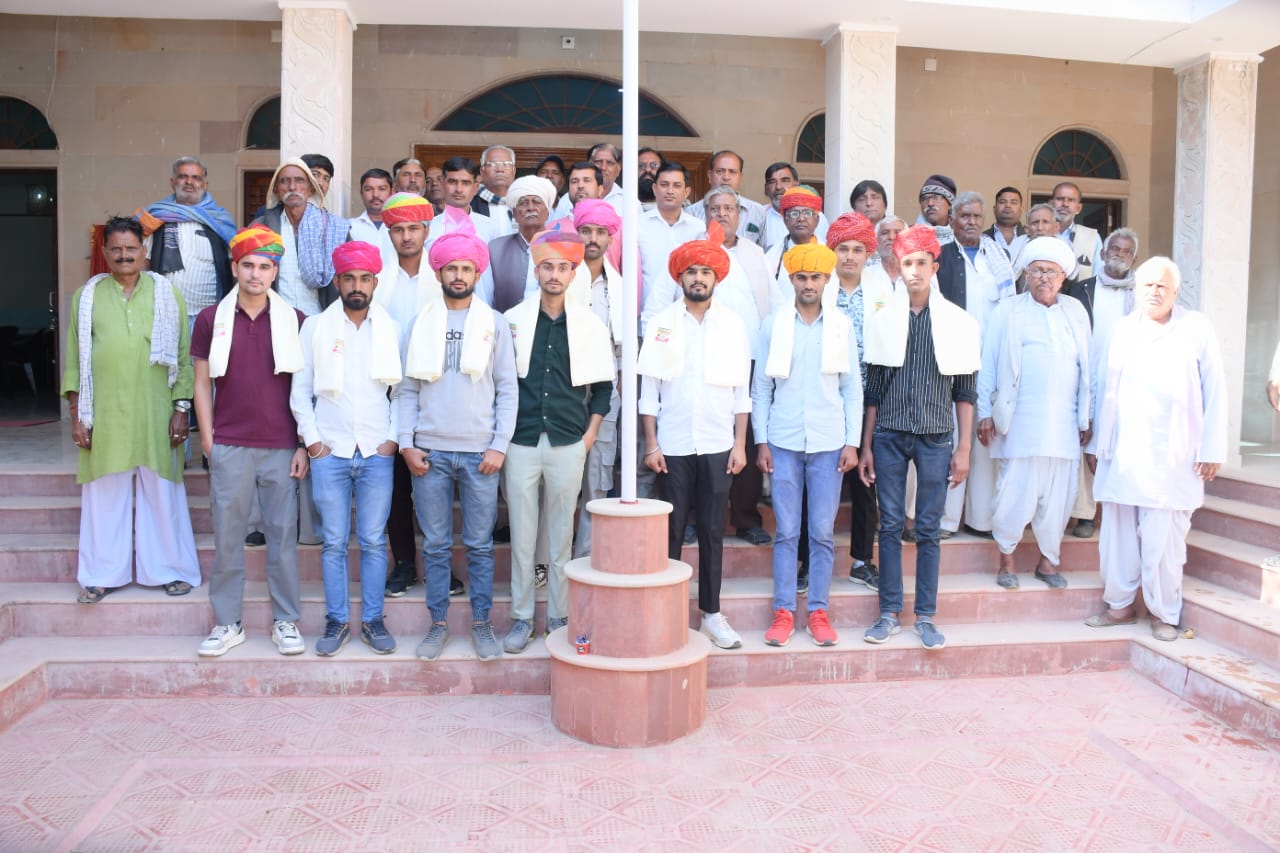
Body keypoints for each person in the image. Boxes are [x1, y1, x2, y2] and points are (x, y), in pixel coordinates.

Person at [1085, 257, 1227, 641]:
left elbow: (1215, 388)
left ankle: (1164, 614)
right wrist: (1097, 443)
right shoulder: (1122, 329)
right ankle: (1119, 607)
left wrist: (1211, 448)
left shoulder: (1196, 328)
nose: (1154, 292)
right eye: (1147, 285)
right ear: (1136, 289)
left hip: (1173, 457)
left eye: (1162, 286)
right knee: (1117, 539)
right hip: (1122, 453)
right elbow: (1103, 387)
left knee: (1164, 543)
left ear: (1176, 291)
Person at [396, 217, 517, 662]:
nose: (459, 275)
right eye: (452, 268)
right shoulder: (419, 323)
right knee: (435, 545)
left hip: (480, 453)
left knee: (481, 545)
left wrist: (499, 445)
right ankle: (438, 624)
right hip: (429, 452)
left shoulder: (494, 324)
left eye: (466, 268)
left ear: (477, 273)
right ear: (439, 272)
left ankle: (482, 623)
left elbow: (507, 389)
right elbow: (406, 390)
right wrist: (407, 443)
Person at [62, 216, 200, 604]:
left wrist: (181, 409)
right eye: (117, 249)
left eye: (131, 248)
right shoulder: (87, 297)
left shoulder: (167, 294)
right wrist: (76, 414)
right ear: (105, 252)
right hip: (104, 412)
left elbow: (183, 357)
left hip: (156, 411)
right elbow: (74, 359)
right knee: (104, 496)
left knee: (162, 494)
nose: (124, 255)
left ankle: (170, 570)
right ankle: (101, 575)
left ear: (144, 251)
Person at [859, 225, 981, 650]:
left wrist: (964, 448)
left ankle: (926, 616)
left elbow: (965, 391)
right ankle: (889, 613)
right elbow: (873, 391)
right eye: (907, 262)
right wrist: (866, 446)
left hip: (935, 437)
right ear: (898, 265)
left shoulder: (959, 323)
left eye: (921, 263)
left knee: (928, 529)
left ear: (935, 267)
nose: (914, 270)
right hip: (889, 435)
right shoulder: (883, 321)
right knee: (891, 525)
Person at [192, 225, 308, 657]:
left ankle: (285, 621)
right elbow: (201, 383)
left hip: (282, 445)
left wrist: (302, 444)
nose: (256, 274)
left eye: (264, 266)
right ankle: (227, 623)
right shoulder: (211, 319)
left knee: (282, 538)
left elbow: (304, 389)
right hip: (230, 444)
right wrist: (209, 441)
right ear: (234, 268)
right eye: (248, 265)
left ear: (275, 272)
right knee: (228, 538)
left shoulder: (296, 320)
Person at [640, 222, 752, 650]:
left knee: (711, 531)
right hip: (672, 445)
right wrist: (651, 444)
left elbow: (742, 390)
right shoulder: (662, 324)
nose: (699, 278)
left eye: (706, 272)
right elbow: (649, 391)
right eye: (692, 272)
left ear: (716, 278)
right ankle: (665, 615)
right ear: (680, 277)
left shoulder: (733, 325)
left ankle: (711, 614)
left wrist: (740, 444)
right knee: (670, 533)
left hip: (719, 444)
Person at [501, 230, 614, 653]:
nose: (554, 274)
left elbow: (603, 388)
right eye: (547, 266)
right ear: (536, 271)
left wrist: (589, 435)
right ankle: (521, 617)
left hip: (569, 441)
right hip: (521, 440)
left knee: (561, 536)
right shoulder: (513, 320)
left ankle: (558, 616)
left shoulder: (589, 325)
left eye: (562, 267)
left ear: (572, 273)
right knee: (522, 536)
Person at [291, 241, 403, 657]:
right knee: (334, 542)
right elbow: (300, 391)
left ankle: (373, 621)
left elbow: (402, 393)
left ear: (375, 283)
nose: (357, 285)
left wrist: (392, 440)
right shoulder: (315, 327)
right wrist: (314, 442)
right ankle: (336, 621)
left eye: (364, 278)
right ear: (337, 281)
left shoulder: (391, 328)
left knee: (373, 541)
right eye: (349, 278)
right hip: (331, 450)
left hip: (376, 450)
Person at [753, 242, 861, 648]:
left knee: (821, 533)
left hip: (829, 442)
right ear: (792, 280)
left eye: (815, 277)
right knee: (785, 532)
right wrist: (761, 440)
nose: (808, 284)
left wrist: (852, 443)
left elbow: (852, 389)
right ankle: (783, 612)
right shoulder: (773, 325)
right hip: (782, 440)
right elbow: (761, 389)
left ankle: (818, 611)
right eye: (801, 277)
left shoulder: (841, 326)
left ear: (827, 280)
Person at [977, 237, 1091, 590]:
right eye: (1037, 270)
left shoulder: (1075, 310)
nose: (1044, 278)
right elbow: (989, 362)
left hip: (1064, 423)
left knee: (1060, 497)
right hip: (1020, 422)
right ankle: (1007, 561)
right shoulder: (1009, 310)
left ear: (1063, 277)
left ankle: (1048, 562)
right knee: (1014, 493)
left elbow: (1088, 368)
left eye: (1051, 272)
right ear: (1026, 274)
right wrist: (985, 412)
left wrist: (1087, 416)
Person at [372, 193, 464, 600]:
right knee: (396, 486)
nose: (406, 236)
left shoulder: (445, 275)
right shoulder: (377, 280)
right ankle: (405, 563)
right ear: (389, 233)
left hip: (437, 395)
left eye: (414, 228)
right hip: (386, 393)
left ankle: (441, 568)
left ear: (427, 231)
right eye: (398, 229)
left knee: (436, 486)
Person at [824, 212, 894, 590]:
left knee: (867, 479)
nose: (849, 256)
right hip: (826, 393)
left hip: (871, 395)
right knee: (821, 480)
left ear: (868, 254)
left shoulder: (882, 290)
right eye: (843, 249)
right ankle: (809, 561)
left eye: (857, 249)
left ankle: (862, 560)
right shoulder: (820, 286)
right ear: (832, 252)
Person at [1061, 226, 1140, 539]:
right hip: (1087, 375)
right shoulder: (1083, 289)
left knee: (1121, 445)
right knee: (1085, 441)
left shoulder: (1141, 293)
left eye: (1127, 251)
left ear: (1134, 258)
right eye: (1115, 249)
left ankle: (1122, 510)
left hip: (1127, 381)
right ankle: (1084, 514)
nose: (1120, 255)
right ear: (1103, 253)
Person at [570, 199, 625, 557]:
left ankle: (585, 560)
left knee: (597, 478)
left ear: (610, 238)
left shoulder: (619, 286)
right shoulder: (559, 275)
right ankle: (548, 569)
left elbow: (624, 347)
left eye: (600, 232)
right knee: (556, 484)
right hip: (562, 389)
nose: (592, 238)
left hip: (605, 391)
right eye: (586, 230)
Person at [138, 156, 237, 322]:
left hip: (208, 315)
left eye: (196, 178)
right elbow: (143, 264)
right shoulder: (155, 217)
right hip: (164, 314)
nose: (189, 182)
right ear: (172, 182)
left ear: (205, 185)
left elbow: (235, 265)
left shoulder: (220, 220)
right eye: (183, 176)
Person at [253, 158, 349, 316]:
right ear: (276, 189)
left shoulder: (334, 227)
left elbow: (350, 276)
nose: (292, 187)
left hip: (322, 319)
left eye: (299, 180)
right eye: (284, 181)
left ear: (311, 189)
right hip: (277, 318)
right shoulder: (262, 228)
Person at [488, 175, 558, 312]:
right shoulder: (495, 249)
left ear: (548, 212)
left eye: (537, 202)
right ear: (514, 213)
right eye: (523, 203)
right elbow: (486, 297)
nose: (530, 207)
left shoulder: (563, 247)